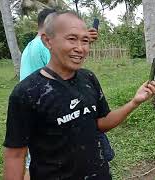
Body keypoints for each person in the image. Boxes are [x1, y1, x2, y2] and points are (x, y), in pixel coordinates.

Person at [3, 11, 155, 179]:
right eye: (71, 39)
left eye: (85, 40)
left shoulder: (88, 78)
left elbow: (100, 123)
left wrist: (134, 102)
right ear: (47, 41)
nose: (80, 48)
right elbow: (15, 155)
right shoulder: (26, 93)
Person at [19, 8, 99, 180]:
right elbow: (62, 70)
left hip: (43, 107)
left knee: (32, 161)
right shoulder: (43, 47)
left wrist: (81, 39)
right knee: (38, 161)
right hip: (46, 107)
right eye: (70, 35)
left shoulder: (30, 46)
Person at [20, 8, 98, 81]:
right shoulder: (44, 45)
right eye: (71, 39)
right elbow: (61, 71)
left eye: (84, 40)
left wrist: (81, 40)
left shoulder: (31, 44)